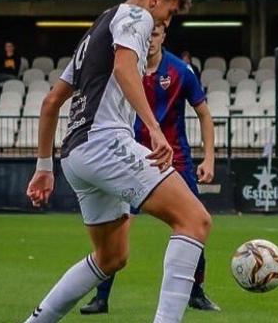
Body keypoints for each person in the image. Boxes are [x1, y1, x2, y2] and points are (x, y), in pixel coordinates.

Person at [24, 0, 211, 322]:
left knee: (111, 257)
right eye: (169, 12)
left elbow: (51, 103)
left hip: (75, 155)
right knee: (195, 220)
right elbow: (126, 69)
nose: (162, 23)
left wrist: (44, 168)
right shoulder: (136, 16)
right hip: (104, 142)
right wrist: (154, 128)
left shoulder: (99, 26)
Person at [79, 24, 219, 315]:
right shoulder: (127, 69)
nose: (151, 40)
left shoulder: (182, 71)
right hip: (133, 160)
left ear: (164, 36)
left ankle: (197, 291)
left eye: (157, 34)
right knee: (119, 225)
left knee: (194, 221)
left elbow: (204, 114)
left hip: (177, 159)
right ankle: (101, 297)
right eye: (148, 35)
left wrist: (209, 158)